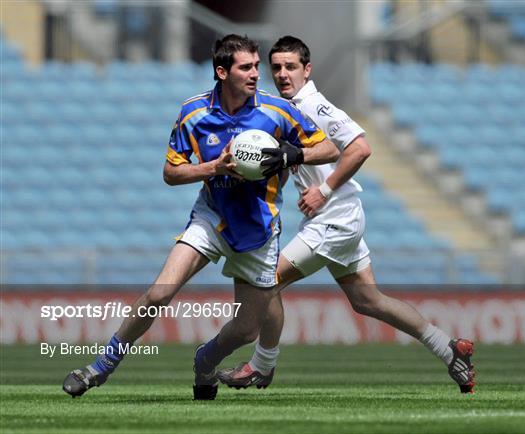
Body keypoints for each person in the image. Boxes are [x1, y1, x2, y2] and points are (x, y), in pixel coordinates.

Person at [62, 34, 340, 400]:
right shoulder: (194, 113)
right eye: (246, 67)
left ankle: (204, 362)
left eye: (257, 66)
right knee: (158, 294)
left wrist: (293, 156)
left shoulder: (278, 111)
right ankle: (98, 368)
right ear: (222, 72)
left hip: (258, 229)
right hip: (211, 218)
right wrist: (212, 167)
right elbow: (170, 172)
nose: (256, 73)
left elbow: (330, 147)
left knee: (245, 331)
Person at [217, 36, 475, 393]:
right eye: (275, 67)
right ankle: (449, 350)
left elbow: (359, 148)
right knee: (369, 301)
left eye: (290, 67)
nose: (282, 74)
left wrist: (323, 190)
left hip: (334, 218)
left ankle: (261, 366)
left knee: (267, 282)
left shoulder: (315, 106)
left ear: (307, 70)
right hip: (340, 217)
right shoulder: (287, 107)